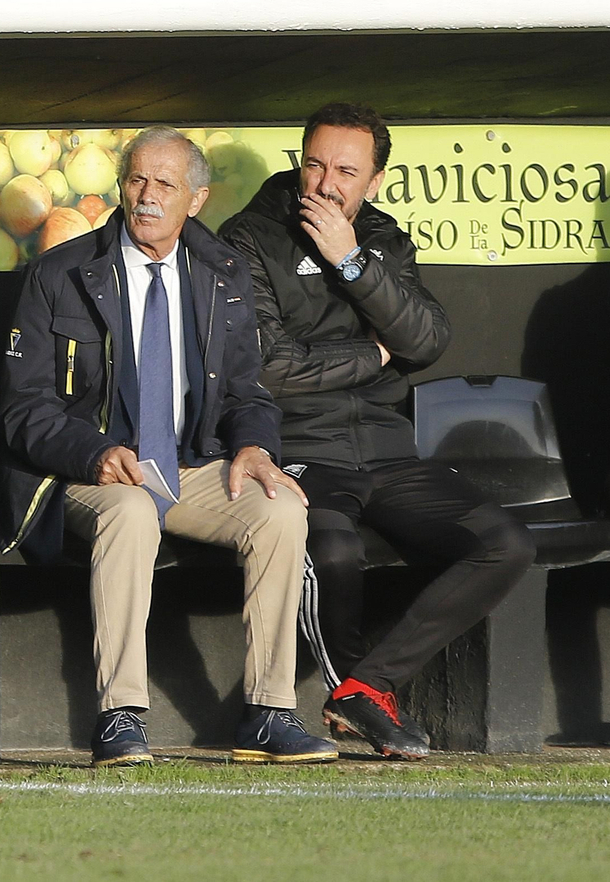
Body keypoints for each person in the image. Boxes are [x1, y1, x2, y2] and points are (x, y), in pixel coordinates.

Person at [0, 127, 336, 767]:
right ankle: (121, 715)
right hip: (87, 471)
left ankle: (269, 713)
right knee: (127, 509)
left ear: (197, 199)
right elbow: (23, 407)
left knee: (281, 509)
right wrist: (93, 452)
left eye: (165, 185)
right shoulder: (59, 273)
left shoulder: (224, 274)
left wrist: (256, 449)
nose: (147, 196)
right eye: (136, 180)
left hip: (188, 465)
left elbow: (248, 391)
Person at [220, 102, 535, 760]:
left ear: (375, 180)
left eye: (345, 170)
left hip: (388, 450)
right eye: (314, 164)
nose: (326, 183)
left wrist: (352, 261)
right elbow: (268, 369)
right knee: (330, 548)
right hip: (298, 447)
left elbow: (427, 339)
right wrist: (373, 356)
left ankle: (367, 686)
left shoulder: (383, 239)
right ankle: (356, 693)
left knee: (504, 543)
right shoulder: (248, 237)